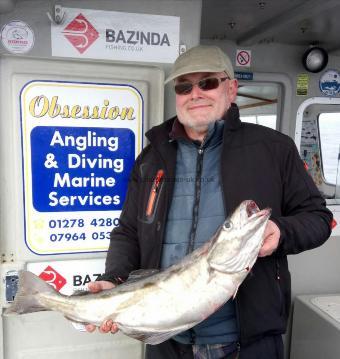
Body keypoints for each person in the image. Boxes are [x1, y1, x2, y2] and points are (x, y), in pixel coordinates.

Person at [85, 45, 333, 358]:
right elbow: (128, 231)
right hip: (166, 343)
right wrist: (113, 280)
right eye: (185, 86)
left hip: (247, 344)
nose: (195, 93)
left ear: (231, 88)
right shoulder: (151, 158)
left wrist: (280, 232)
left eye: (208, 83)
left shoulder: (274, 149)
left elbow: (318, 218)